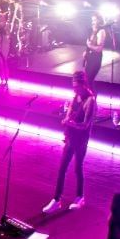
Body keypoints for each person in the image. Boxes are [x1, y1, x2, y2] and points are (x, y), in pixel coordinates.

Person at [42, 71, 97, 216]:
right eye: (73, 87)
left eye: (77, 87)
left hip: (81, 139)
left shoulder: (90, 100)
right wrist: (66, 124)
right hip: (71, 137)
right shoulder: (75, 97)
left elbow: (85, 125)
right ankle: (56, 199)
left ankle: (80, 197)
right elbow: (69, 115)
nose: (75, 90)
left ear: (83, 85)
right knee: (62, 168)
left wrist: (70, 123)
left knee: (78, 168)